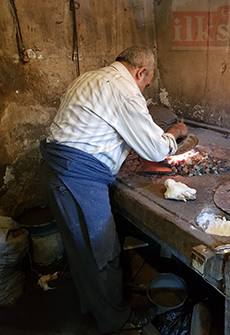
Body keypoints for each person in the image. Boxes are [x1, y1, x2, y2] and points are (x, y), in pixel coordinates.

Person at [38, 46, 188, 333]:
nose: (143, 90)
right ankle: (116, 321)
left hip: (54, 171)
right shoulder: (123, 87)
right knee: (101, 254)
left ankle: (90, 306)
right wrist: (176, 132)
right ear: (140, 71)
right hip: (75, 179)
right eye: (146, 83)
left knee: (80, 250)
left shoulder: (88, 78)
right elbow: (156, 149)